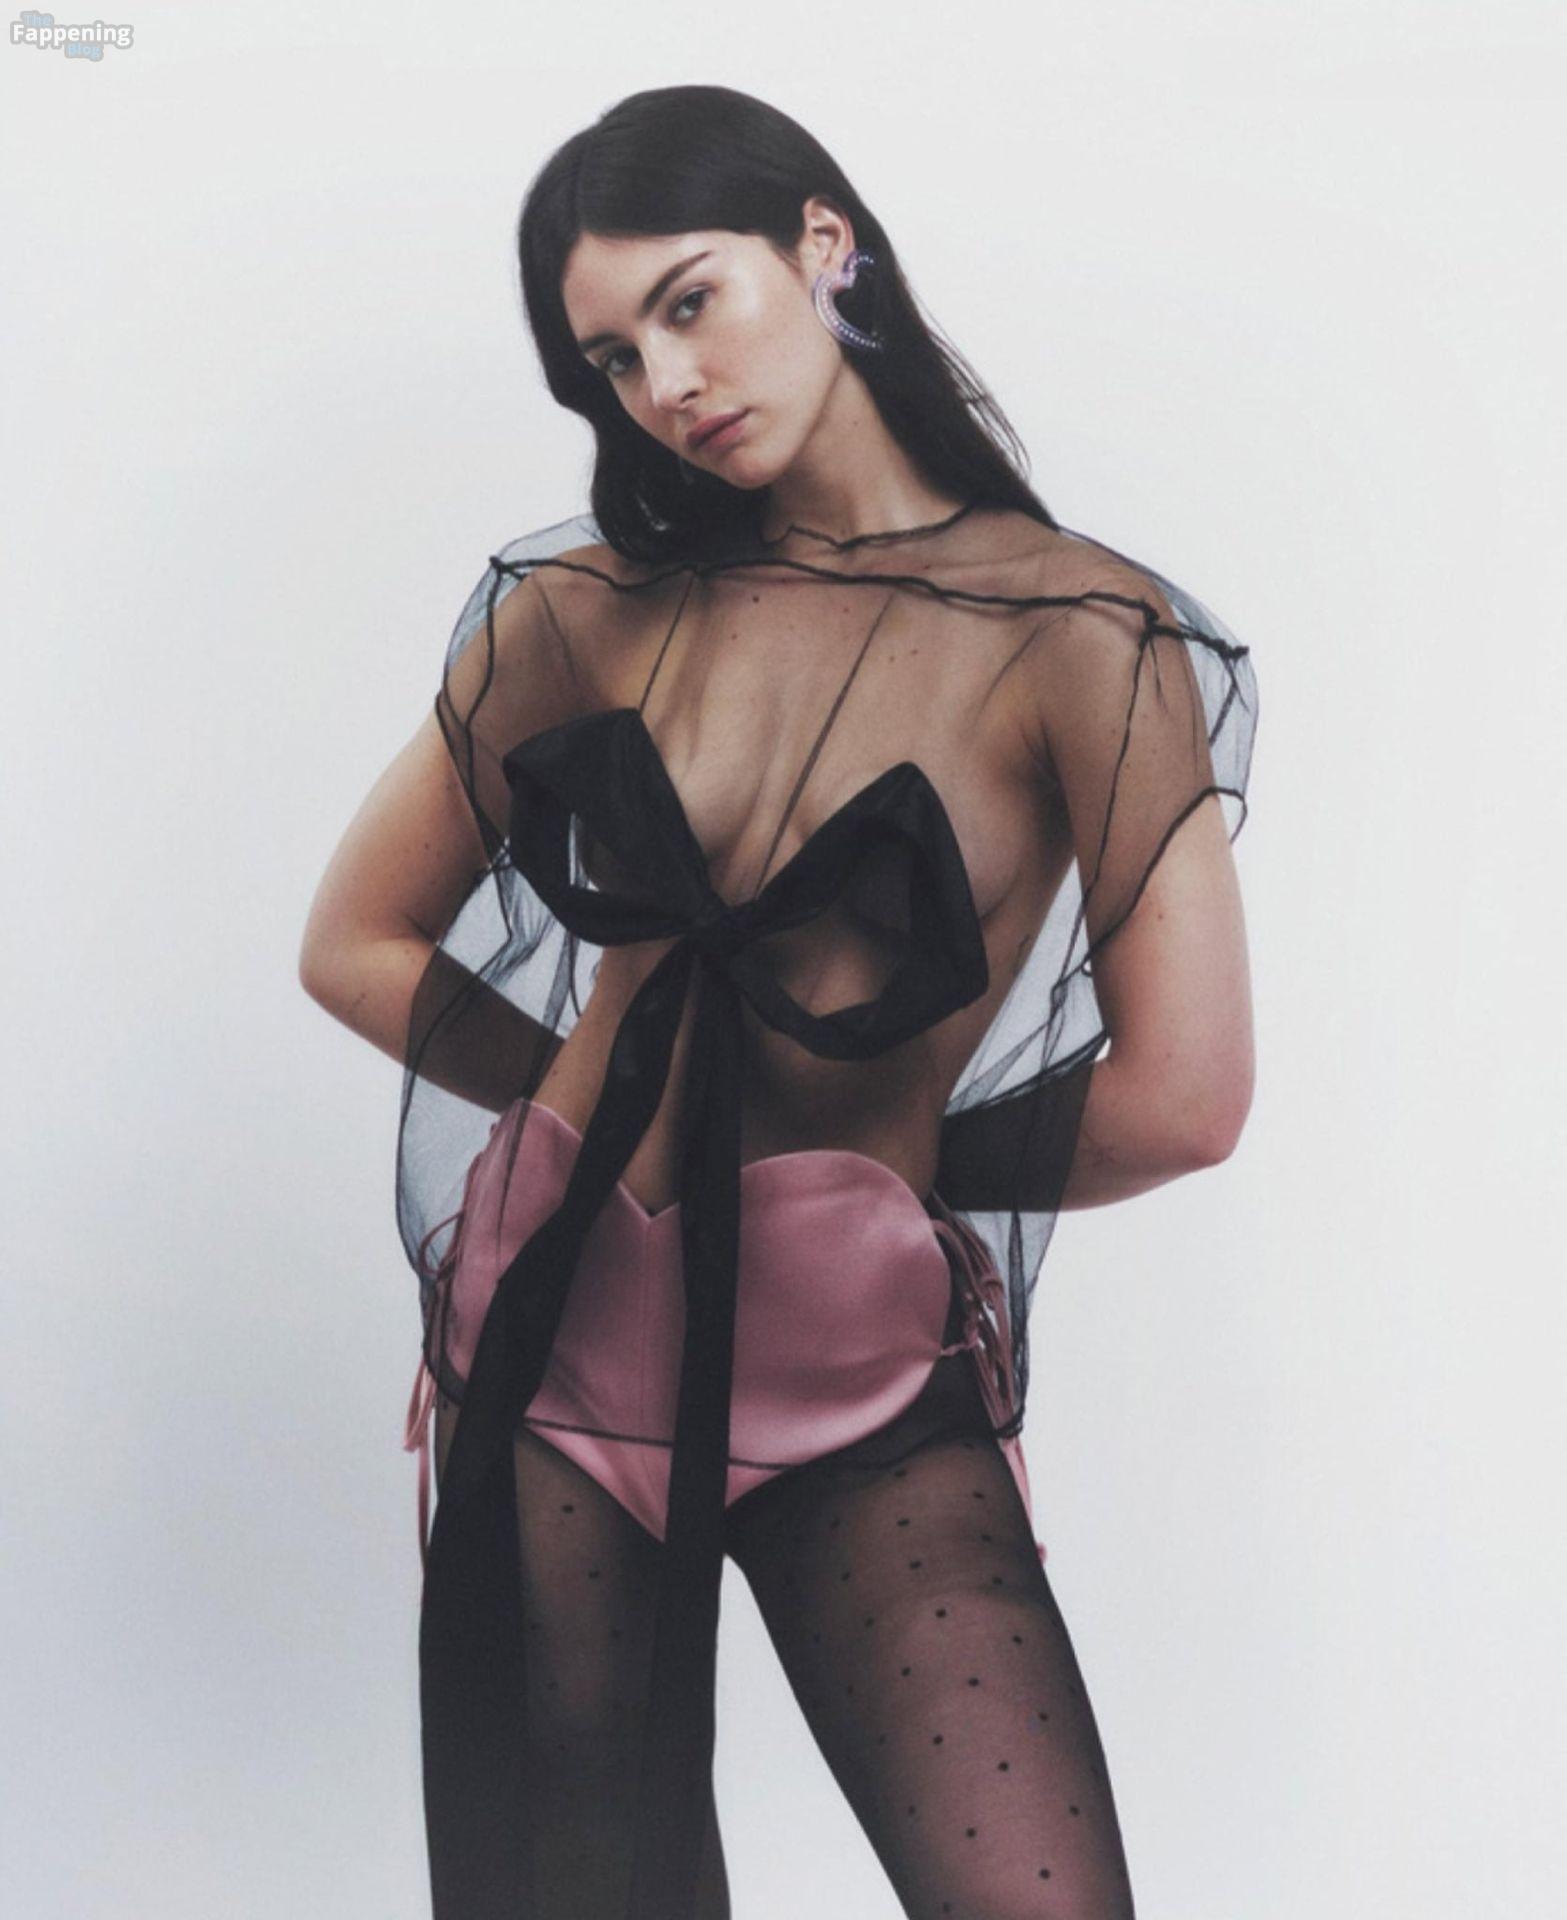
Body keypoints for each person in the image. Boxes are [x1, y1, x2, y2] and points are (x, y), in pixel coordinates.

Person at [299, 82, 1258, 1920]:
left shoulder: (1086, 635)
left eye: (689, 302)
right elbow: (358, 941)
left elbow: (1187, 1097)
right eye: (610, 357)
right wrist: (578, 1134)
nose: (665, 384)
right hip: (555, 1352)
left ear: (825, 246)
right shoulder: (587, 603)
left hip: (853, 1379)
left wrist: (882, 1183)